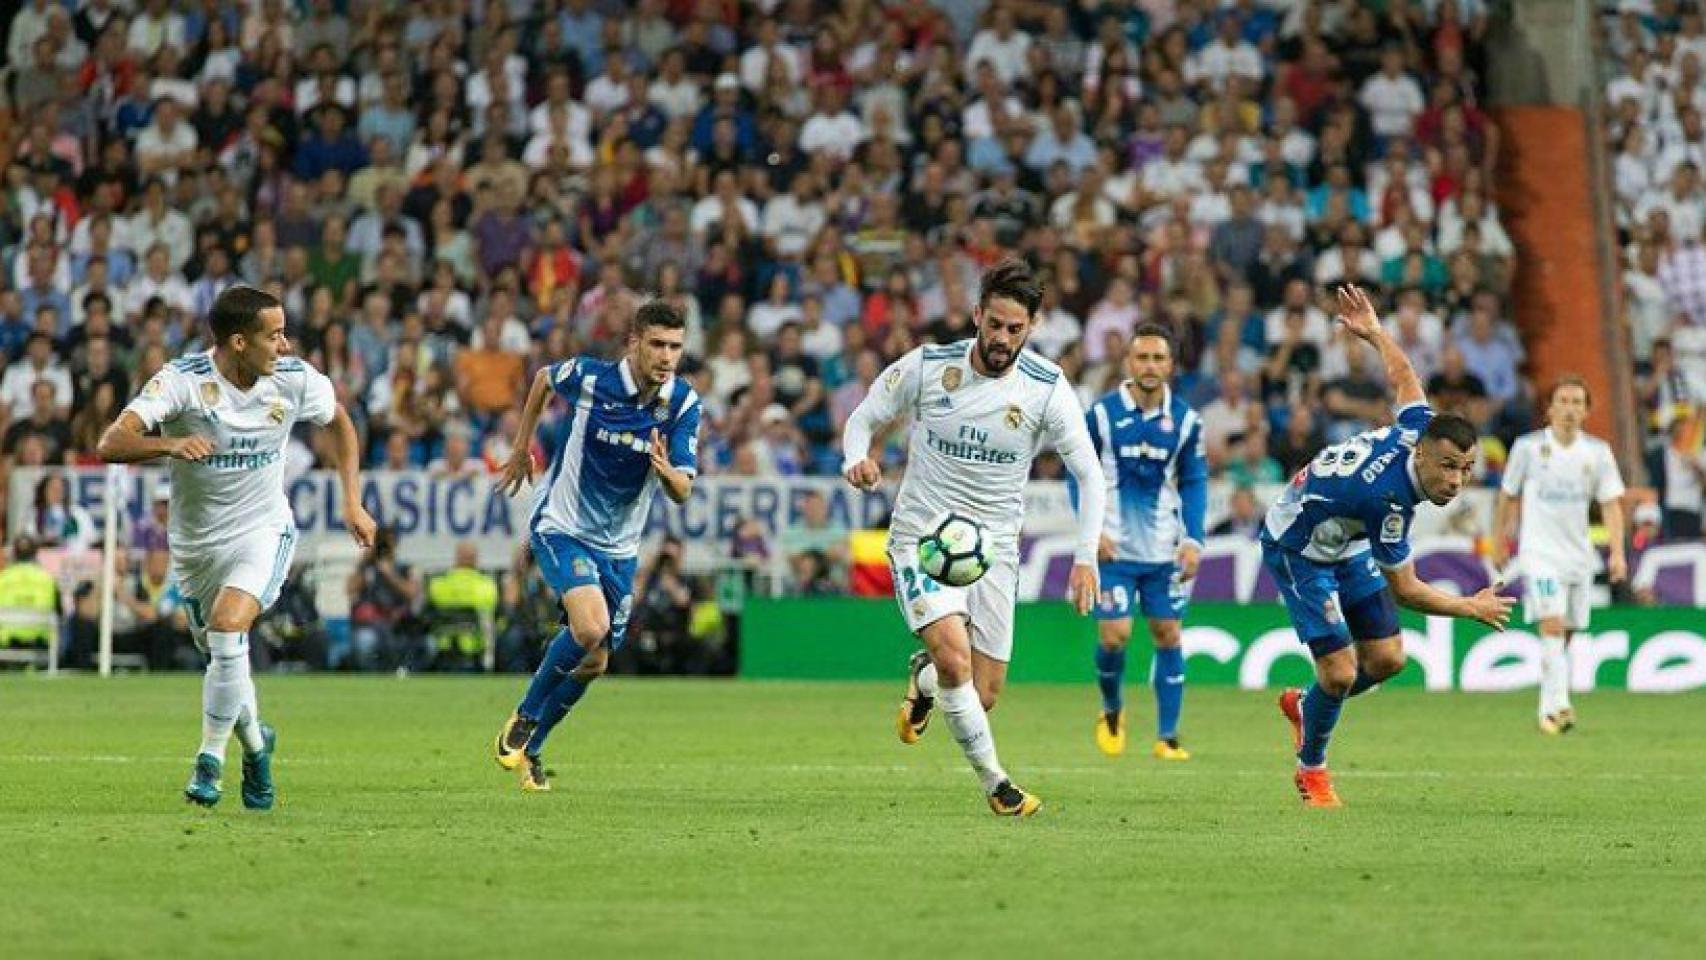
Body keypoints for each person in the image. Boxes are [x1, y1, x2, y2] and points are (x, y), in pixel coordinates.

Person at [841, 258, 1104, 817]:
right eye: (995, 325)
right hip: (922, 538)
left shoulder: (1047, 388)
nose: (1003, 338)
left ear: (1031, 327)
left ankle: (925, 680)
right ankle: (998, 786)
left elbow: (1089, 474)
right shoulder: (928, 367)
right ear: (977, 315)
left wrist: (1086, 558)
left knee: (980, 694)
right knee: (957, 661)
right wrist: (855, 457)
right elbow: (863, 416)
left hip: (994, 550)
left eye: (1016, 329)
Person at [98, 285, 375, 810]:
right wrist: (168, 443)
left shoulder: (292, 381)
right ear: (239, 342)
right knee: (225, 657)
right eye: (274, 335)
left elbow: (339, 420)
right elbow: (111, 442)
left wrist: (353, 503)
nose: (286, 345)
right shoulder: (183, 381)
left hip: (263, 530)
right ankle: (256, 744)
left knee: (229, 628)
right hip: (196, 545)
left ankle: (210, 761)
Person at [1263, 285, 1513, 808]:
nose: (1456, 481)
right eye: (1447, 467)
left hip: (1345, 539)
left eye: (1466, 470)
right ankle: (1313, 771)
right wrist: (1469, 606)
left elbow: (1405, 379)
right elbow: (1406, 590)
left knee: (1389, 660)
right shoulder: (1389, 501)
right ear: (1421, 457)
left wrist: (1376, 333)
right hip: (1298, 545)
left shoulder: (1420, 428)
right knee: (1340, 671)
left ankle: (1307, 708)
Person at [491, 299, 699, 792]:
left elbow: (684, 488)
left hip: (620, 549)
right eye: (657, 345)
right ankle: (523, 719)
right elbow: (542, 379)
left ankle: (534, 748)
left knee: (596, 661)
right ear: (634, 343)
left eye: (675, 347)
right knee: (590, 627)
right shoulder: (589, 379)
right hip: (562, 526)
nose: (666, 356)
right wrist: (522, 448)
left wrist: (670, 476)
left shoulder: (683, 404)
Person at [1084, 324, 1208, 761]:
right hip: (1112, 549)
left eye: (1159, 358)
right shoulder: (1100, 415)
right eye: (1142, 358)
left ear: (1171, 365)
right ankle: (1112, 709)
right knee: (1116, 634)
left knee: (1167, 633)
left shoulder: (1188, 422)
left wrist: (1193, 540)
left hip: (1163, 551)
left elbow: (1194, 482)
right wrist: (1091, 531)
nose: (1150, 366)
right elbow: (1079, 474)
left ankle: (1167, 736)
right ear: (1128, 363)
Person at [1490, 376, 1627, 734]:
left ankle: (1546, 709)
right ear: (1549, 408)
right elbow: (1507, 494)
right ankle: (1562, 703)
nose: (1569, 408)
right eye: (1563, 401)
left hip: (1578, 555)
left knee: (1566, 632)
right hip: (1540, 553)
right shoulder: (1528, 448)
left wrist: (1617, 553)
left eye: (1577, 402)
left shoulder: (1597, 452)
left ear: (1586, 411)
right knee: (1551, 623)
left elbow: (1611, 504)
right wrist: (1499, 539)